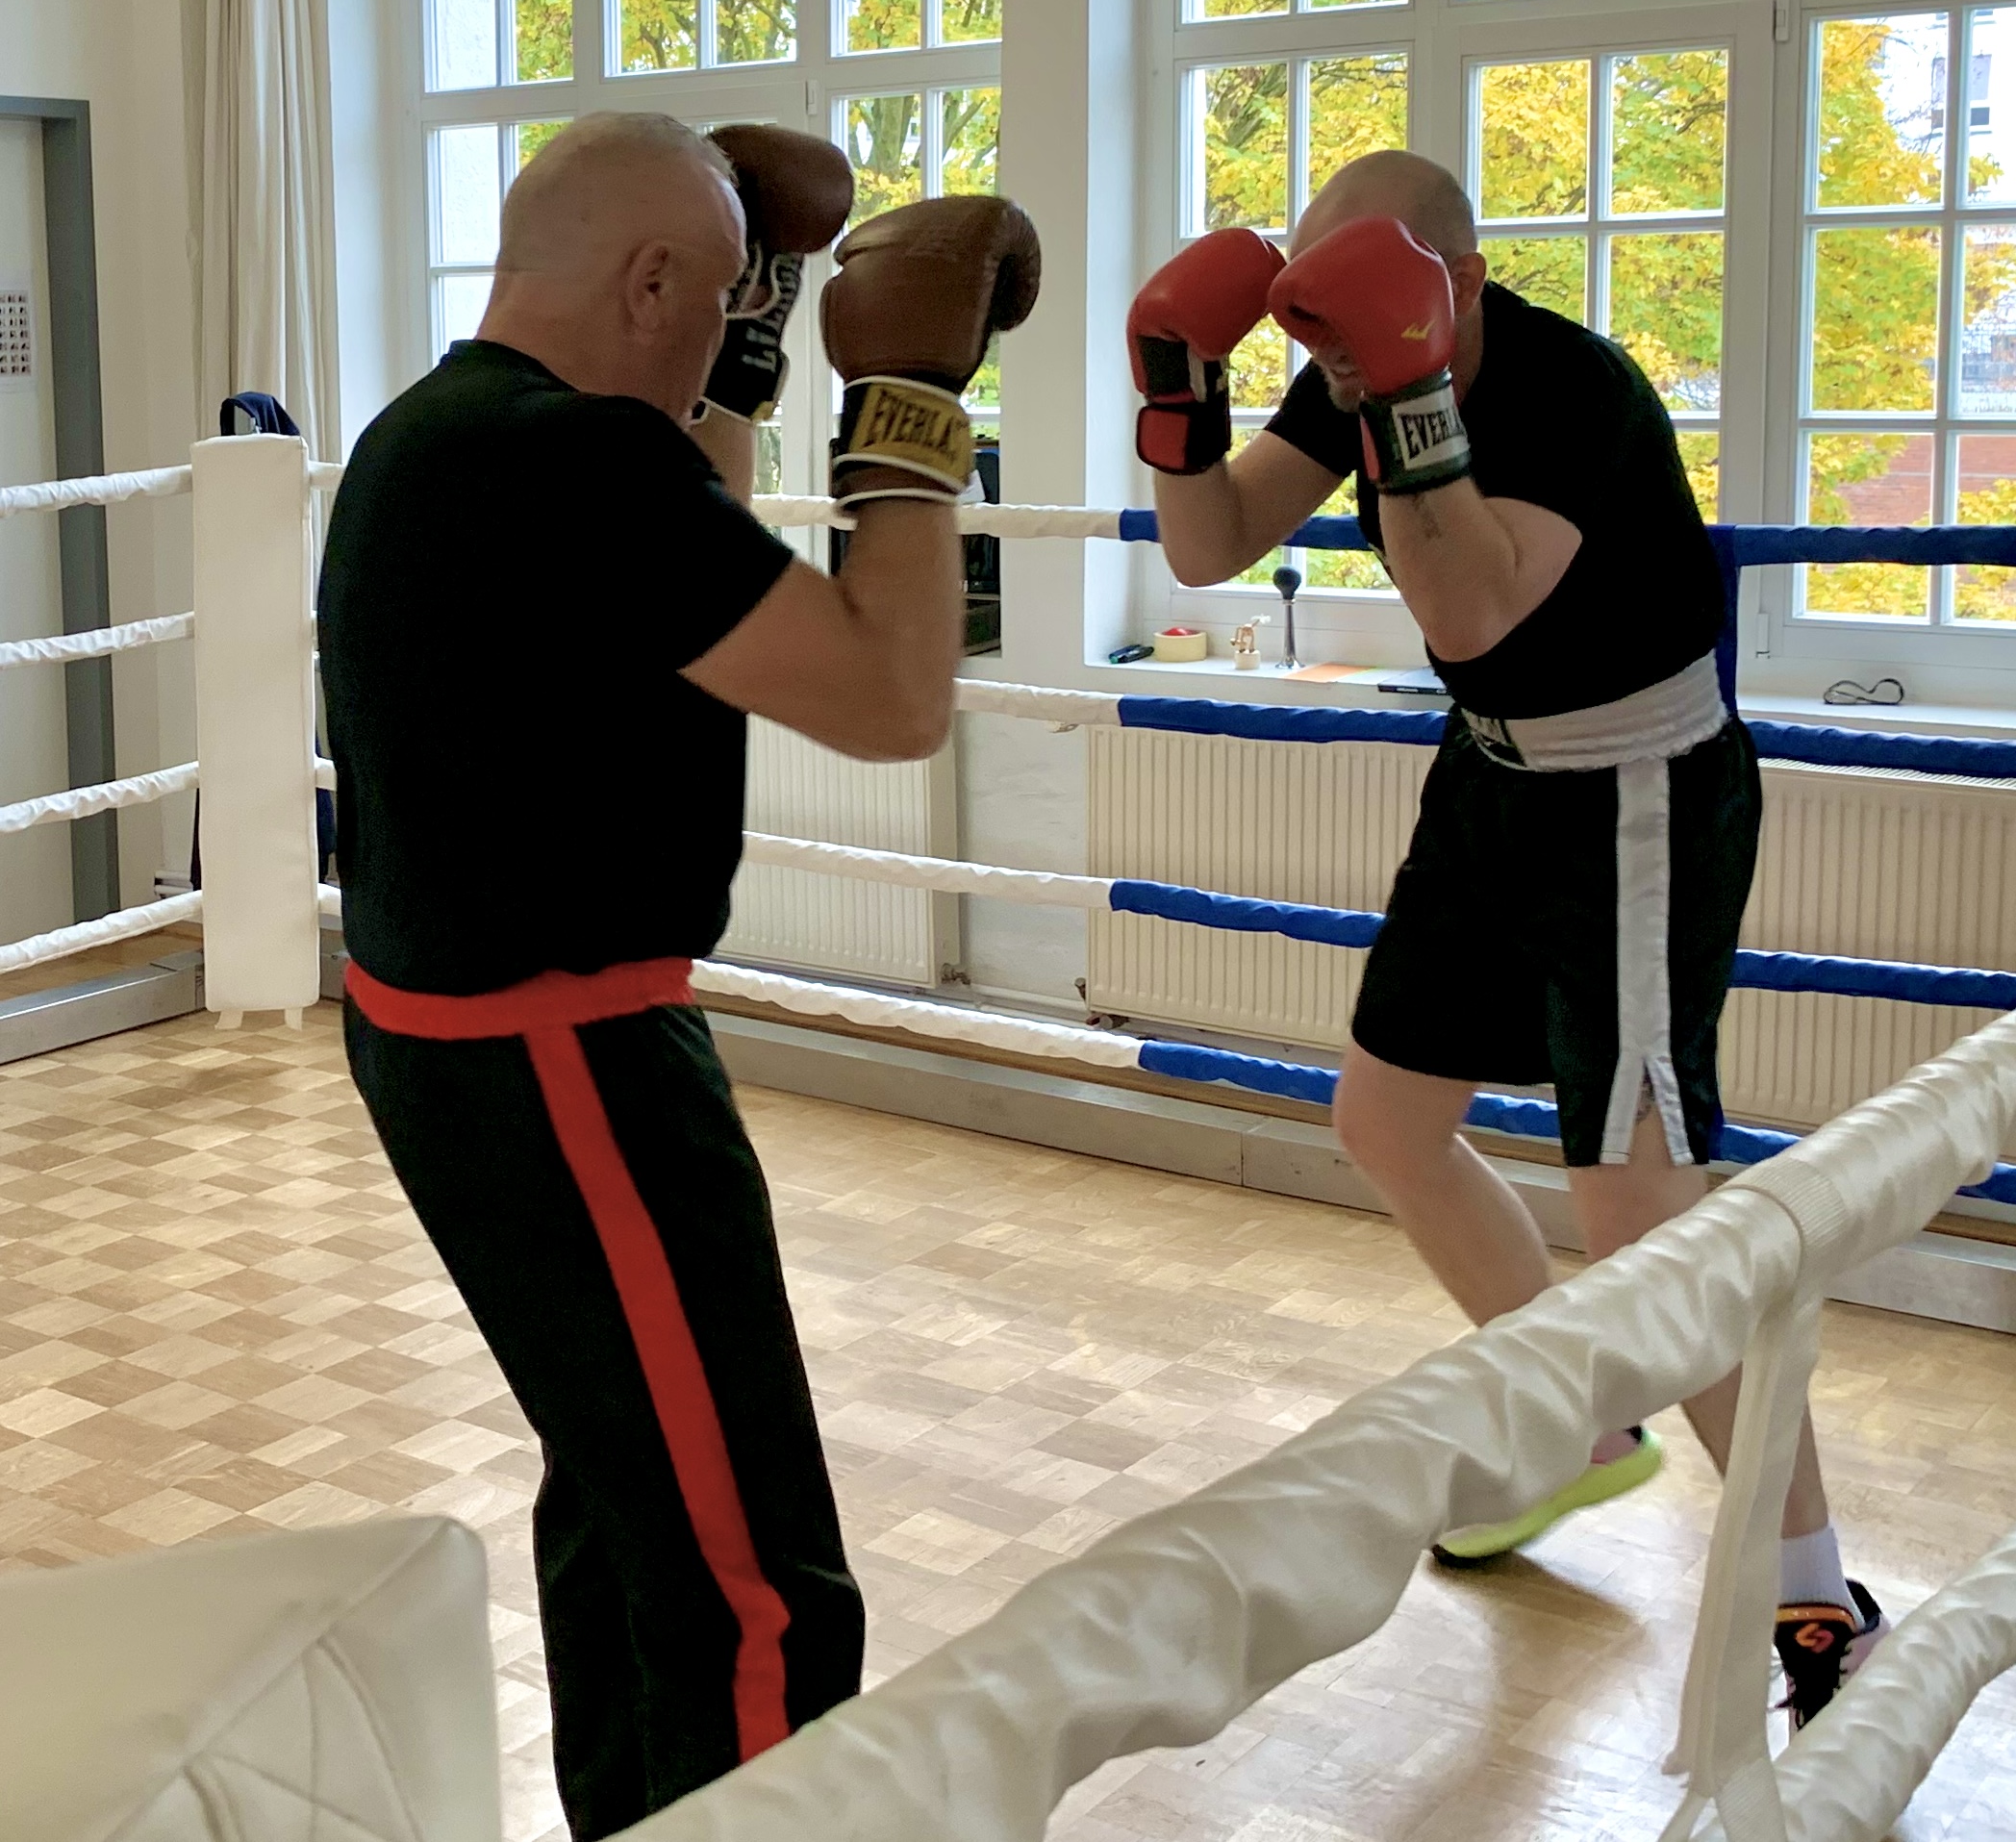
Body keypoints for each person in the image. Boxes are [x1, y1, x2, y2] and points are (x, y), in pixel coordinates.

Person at [318, 111, 1038, 1835]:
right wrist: (907, 404)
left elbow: (689, 524)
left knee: (627, 1499)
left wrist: (756, 320)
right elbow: (894, 699)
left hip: (454, 1047)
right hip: (569, 1068)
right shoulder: (576, 468)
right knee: (754, 1584)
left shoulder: (433, 433)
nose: (727, 336)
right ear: (650, 283)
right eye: (717, 301)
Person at [1127, 150, 1881, 1729]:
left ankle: (1815, 1588)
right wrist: (1181, 394)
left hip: (1636, 793)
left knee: (1647, 1215)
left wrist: (1406, 393)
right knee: (1388, 1119)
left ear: (1454, 286)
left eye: (1354, 322)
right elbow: (1207, 547)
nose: (1328, 354)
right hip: (1492, 780)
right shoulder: (1355, 364)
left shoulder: (1568, 391)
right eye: (1312, 322)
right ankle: (1574, 1432)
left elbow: (1469, 609)